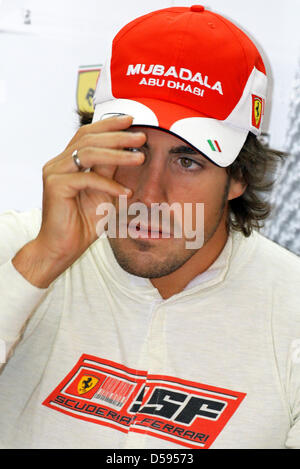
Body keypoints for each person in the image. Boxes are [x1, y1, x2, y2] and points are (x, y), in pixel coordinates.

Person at [0, 5, 299, 450]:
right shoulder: (19, 250)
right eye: (131, 150)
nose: (148, 195)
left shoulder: (290, 307)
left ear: (238, 176)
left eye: (187, 161)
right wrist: (41, 260)